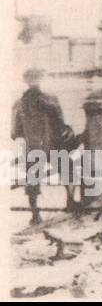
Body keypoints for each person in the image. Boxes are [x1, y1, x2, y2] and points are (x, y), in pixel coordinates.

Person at [10, 67, 68, 226]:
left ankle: (35, 215)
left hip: (33, 147)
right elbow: (61, 123)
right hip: (53, 144)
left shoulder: (19, 104)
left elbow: (15, 132)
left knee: (32, 179)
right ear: (41, 80)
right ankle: (71, 202)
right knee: (66, 169)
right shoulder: (52, 100)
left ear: (26, 82)